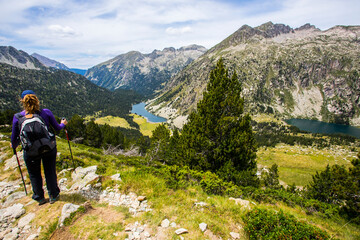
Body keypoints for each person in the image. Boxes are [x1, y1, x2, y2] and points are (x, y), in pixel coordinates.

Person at [11, 90, 68, 205]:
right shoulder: (45, 112)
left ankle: (39, 197)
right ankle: (53, 195)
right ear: (36, 99)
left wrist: (14, 145)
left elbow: (14, 138)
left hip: (31, 151)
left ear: (22, 101)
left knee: (34, 173)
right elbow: (57, 128)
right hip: (48, 148)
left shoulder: (17, 117)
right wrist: (63, 123)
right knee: (50, 171)